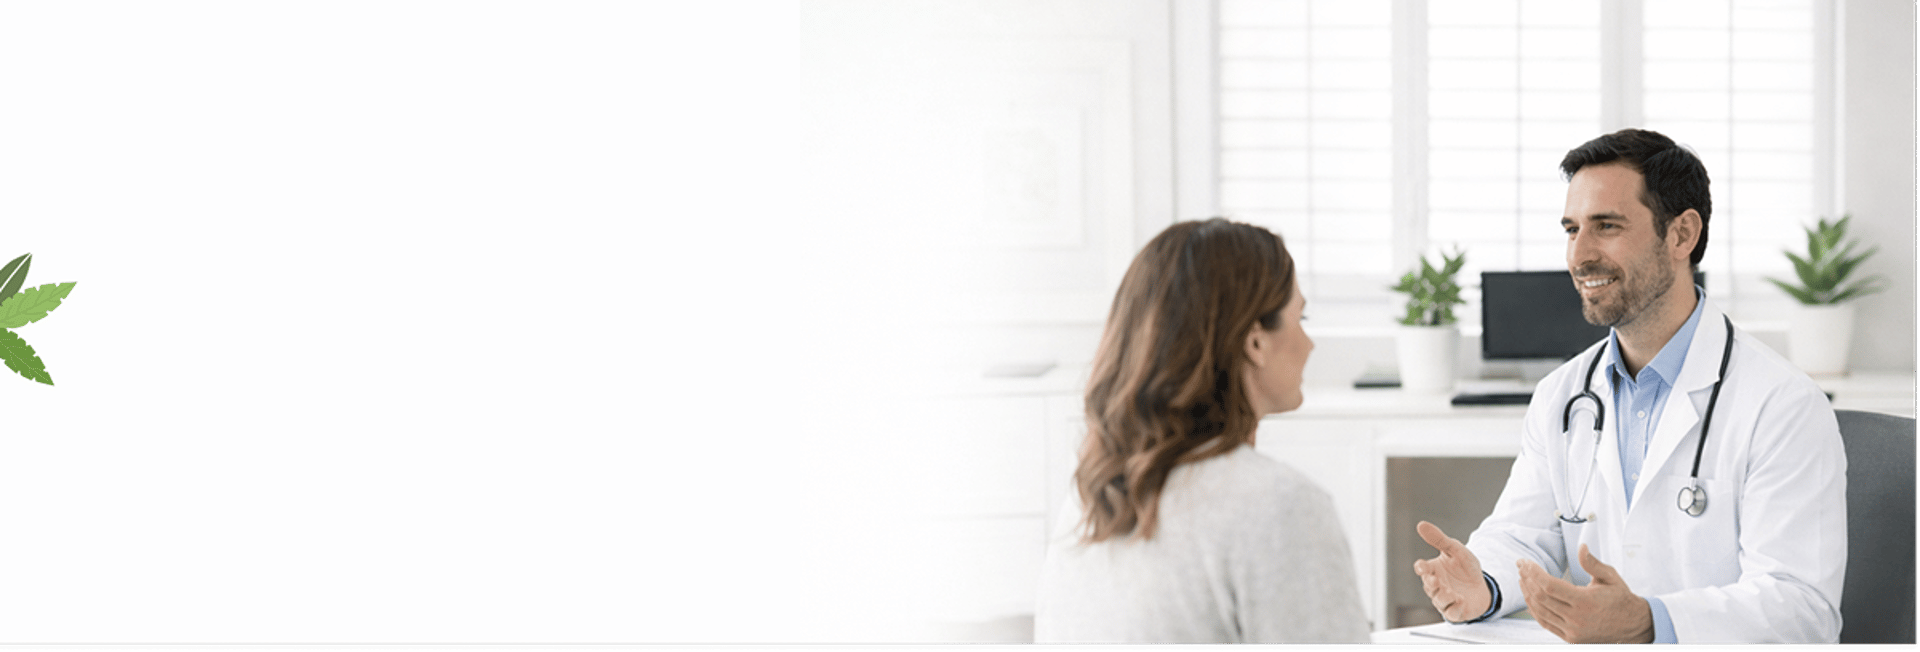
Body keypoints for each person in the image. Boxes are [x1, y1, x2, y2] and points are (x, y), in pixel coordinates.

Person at [1412, 129, 1847, 644]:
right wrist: (1482, 584)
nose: (1580, 254)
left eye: (1607, 226)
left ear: (1682, 235)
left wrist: (1650, 621)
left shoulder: (1780, 403)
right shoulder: (1563, 395)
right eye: (1572, 229)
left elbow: (1802, 606)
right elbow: (1524, 535)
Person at [1033, 218, 1368, 644]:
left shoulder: (1092, 499)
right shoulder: (1279, 506)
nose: (1309, 343)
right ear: (1256, 342)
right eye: (1299, 318)